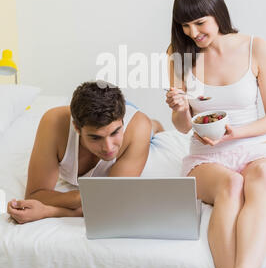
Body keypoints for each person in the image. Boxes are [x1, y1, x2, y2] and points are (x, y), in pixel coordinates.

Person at [165, 0, 266, 268]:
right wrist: (180, 107)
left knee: (261, 178)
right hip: (205, 155)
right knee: (231, 185)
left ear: (217, 13)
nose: (193, 33)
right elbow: (183, 127)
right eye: (185, 26)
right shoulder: (178, 54)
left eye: (200, 23)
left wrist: (236, 132)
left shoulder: (255, 47)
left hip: (253, 145)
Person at [7, 81, 164, 224]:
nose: (108, 148)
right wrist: (79, 197)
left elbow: (111, 203)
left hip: (136, 123)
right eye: (95, 138)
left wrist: (48, 210)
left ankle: (155, 125)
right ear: (76, 128)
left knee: (149, 127)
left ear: (122, 121)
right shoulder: (53, 122)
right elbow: (35, 194)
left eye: (115, 133)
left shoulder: (136, 128)